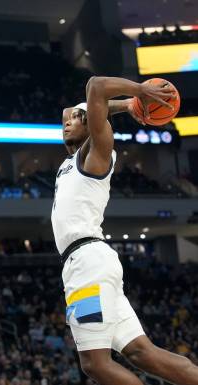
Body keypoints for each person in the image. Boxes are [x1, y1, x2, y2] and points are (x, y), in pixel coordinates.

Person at [51, 76, 198, 385]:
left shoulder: (97, 154)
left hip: (86, 264)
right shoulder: (71, 160)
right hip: (92, 263)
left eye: (79, 118)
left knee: (94, 363)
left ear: (93, 122)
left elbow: (95, 85)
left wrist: (140, 91)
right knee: (143, 354)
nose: (67, 122)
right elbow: (71, 108)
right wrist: (129, 104)